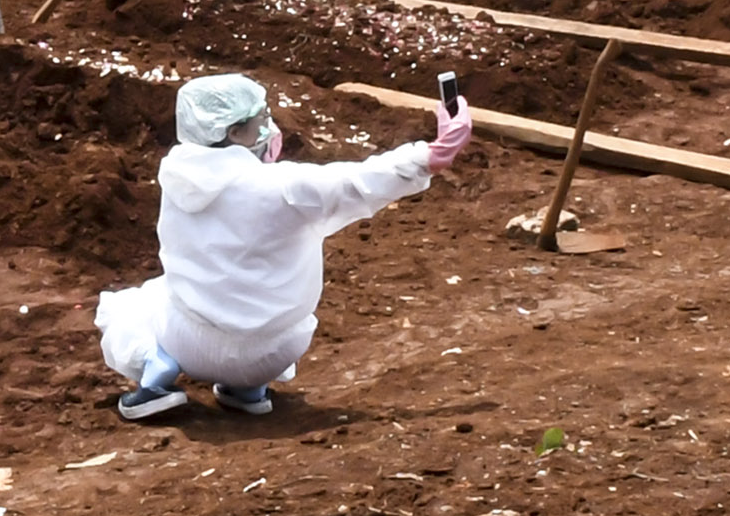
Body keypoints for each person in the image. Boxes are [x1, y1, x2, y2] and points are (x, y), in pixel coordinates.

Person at [95, 72, 470, 423]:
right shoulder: (284, 187)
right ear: (234, 132)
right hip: (274, 352)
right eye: (259, 122)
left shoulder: (176, 177)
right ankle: (246, 391)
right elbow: (358, 181)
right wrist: (432, 154)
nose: (269, 129)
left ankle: (155, 375)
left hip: (192, 346)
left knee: (135, 303)